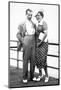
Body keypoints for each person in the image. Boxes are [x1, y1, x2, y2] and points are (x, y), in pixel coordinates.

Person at [17, 9, 36, 83]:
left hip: (33, 41)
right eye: (29, 14)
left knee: (33, 60)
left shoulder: (33, 23)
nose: (30, 16)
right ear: (26, 14)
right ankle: (24, 77)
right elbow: (18, 34)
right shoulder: (22, 23)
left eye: (31, 15)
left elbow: (36, 34)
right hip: (26, 40)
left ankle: (32, 76)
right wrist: (23, 41)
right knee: (25, 60)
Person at [33, 11, 49, 82]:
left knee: (43, 59)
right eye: (36, 16)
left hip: (43, 43)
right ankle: (40, 74)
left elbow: (45, 34)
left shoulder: (44, 23)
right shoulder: (36, 24)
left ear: (42, 16)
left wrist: (40, 42)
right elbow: (36, 34)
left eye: (39, 15)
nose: (37, 16)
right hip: (37, 43)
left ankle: (47, 75)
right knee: (37, 59)